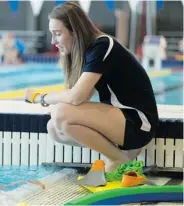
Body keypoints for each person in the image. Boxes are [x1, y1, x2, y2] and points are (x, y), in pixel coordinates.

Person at [24, 2, 159, 172]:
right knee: (54, 128)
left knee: (60, 113)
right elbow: (81, 98)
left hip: (138, 123)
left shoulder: (102, 45)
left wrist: (40, 97)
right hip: (121, 122)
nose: (53, 41)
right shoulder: (87, 51)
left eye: (57, 34)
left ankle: (119, 160)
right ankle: (122, 157)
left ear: (75, 31)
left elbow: (76, 97)